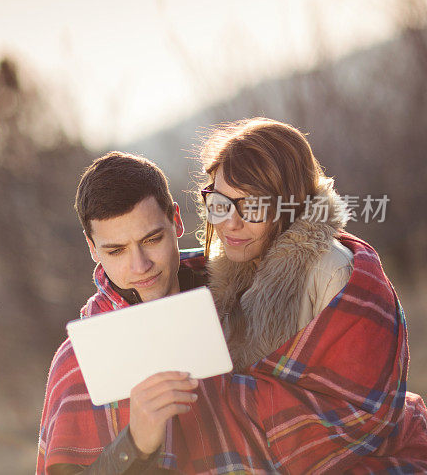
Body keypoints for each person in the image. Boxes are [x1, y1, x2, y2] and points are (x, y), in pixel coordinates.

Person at [160, 118, 427, 472]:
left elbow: (355, 412)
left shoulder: (333, 271)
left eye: (252, 206)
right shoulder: (223, 270)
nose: (230, 223)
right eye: (220, 202)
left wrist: (233, 399)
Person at [36, 151, 207, 474]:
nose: (140, 265)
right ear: (92, 248)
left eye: (152, 239)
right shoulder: (79, 360)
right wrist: (135, 444)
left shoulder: (243, 292)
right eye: (116, 251)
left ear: (177, 220)